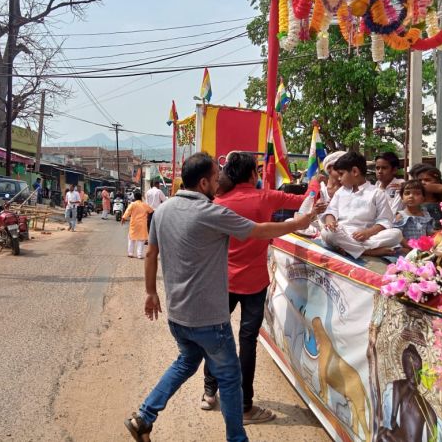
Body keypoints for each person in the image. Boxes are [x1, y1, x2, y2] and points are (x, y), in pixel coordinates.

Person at [125, 152, 324, 442]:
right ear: (203, 182)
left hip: (178, 314)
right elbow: (259, 231)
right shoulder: (210, 213)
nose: (220, 185)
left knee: (186, 362)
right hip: (208, 318)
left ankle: (144, 417)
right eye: (216, 180)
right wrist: (300, 222)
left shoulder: (164, 211)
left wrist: (150, 292)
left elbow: (151, 254)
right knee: (230, 378)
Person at [201, 152, 327, 423]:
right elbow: (305, 200)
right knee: (248, 343)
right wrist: (315, 182)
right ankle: (245, 405)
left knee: (216, 337)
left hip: (223, 281)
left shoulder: (218, 202)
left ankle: (209, 391)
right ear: (252, 174)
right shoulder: (266, 197)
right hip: (255, 282)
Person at [321, 151, 403, 258]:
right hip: (342, 231)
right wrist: (330, 222)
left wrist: (368, 232)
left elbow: (385, 220)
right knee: (327, 233)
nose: (339, 178)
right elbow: (331, 212)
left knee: (396, 234)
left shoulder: (376, 193)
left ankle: (350, 248)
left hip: (366, 236)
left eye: (341, 174)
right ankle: (366, 251)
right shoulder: (341, 192)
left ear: (355, 171)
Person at [376, 344, 437, 442]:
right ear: (405, 370)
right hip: (400, 438)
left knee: (383, 434)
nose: (413, 374)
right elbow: (393, 420)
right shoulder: (400, 386)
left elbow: (433, 437)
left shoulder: (427, 408)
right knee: (382, 433)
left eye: (416, 370)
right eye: (410, 369)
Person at [393, 180, 434, 255]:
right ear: (402, 197)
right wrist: (412, 248)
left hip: (423, 250)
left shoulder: (426, 215)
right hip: (407, 250)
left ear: (423, 198)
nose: (411, 196)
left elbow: (429, 234)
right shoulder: (400, 216)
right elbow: (399, 236)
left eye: (417, 193)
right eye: (407, 193)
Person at [121, 190, 154, 259]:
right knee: (141, 240)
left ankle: (130, 253)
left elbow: (127, 212)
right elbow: (151, 211)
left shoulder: (132, 204)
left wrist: (123, 218)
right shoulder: (144, 205)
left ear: (135, 198)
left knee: (131, 238)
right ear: (141, 198)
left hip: (134, 223)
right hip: (142, 224)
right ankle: (139, 255)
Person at [415, 166, 442, 230]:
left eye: (427, 180)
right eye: (419, 180)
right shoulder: (412, 203)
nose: (422, 182)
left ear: (437, 183)